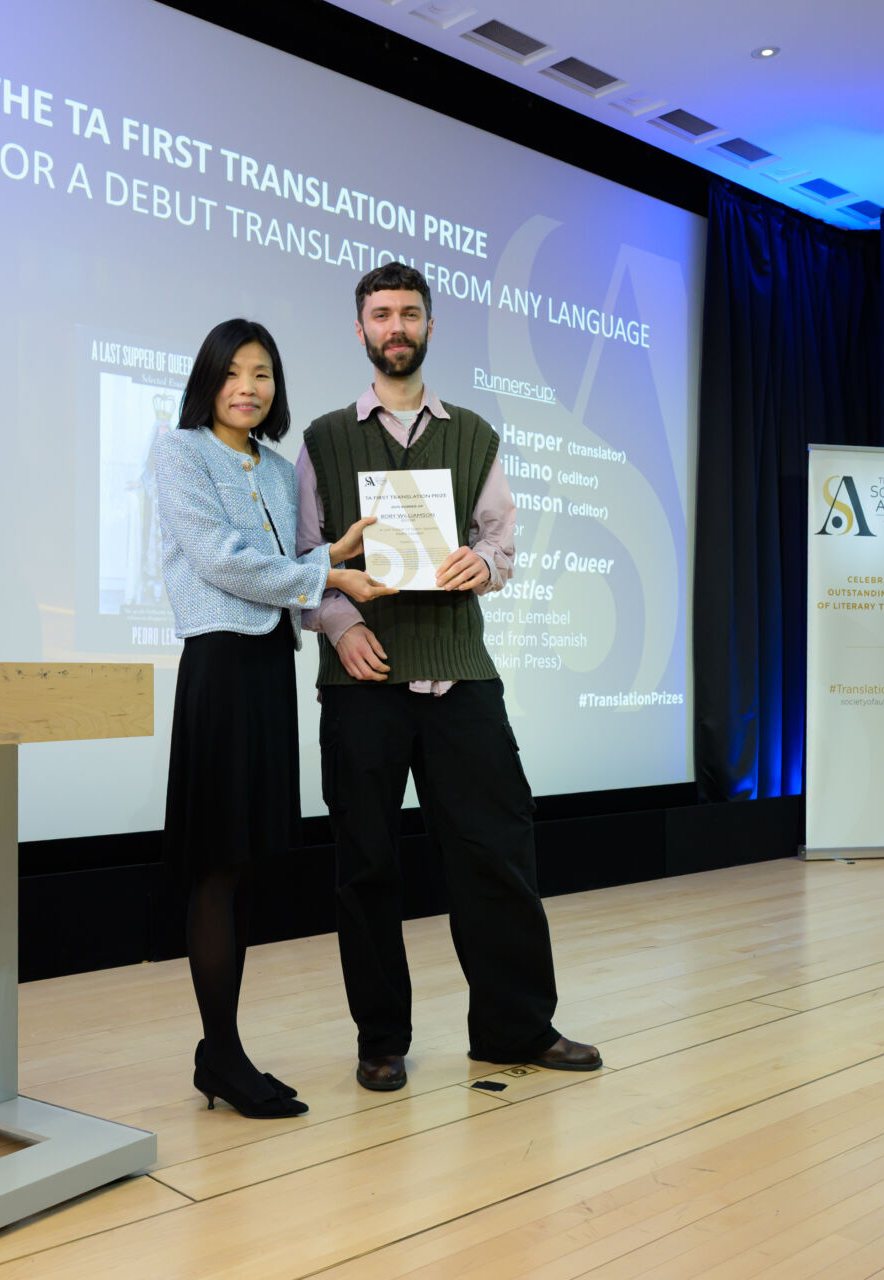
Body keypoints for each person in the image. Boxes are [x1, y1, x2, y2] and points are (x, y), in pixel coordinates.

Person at [296, 264, 600, 1092]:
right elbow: (303, 561)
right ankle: (380, 1040)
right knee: (366, 865)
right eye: (382, 314)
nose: (397, 326)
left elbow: (503, 546)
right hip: (361, 680)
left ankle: (515, 1028)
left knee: (496, 851)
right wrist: (340, 624)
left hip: (461, 676)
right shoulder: (322, 438)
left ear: (430, 328)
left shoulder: (474, 435)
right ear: (359, 331)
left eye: (410, 314)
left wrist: (483, 565)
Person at [154, 317, 391, 1118]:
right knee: (218, 863)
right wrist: (332, 569)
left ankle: (224, 1050)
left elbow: (292, 575)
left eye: (262, 374)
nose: (248, 387)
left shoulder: (282, 465)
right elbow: (222, 558)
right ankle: (218, 1053)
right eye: (232, 373)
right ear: (208, 380)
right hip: (218, 668)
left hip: (266, 669)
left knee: (249, 861)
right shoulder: (179, 451)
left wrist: (344, 556)